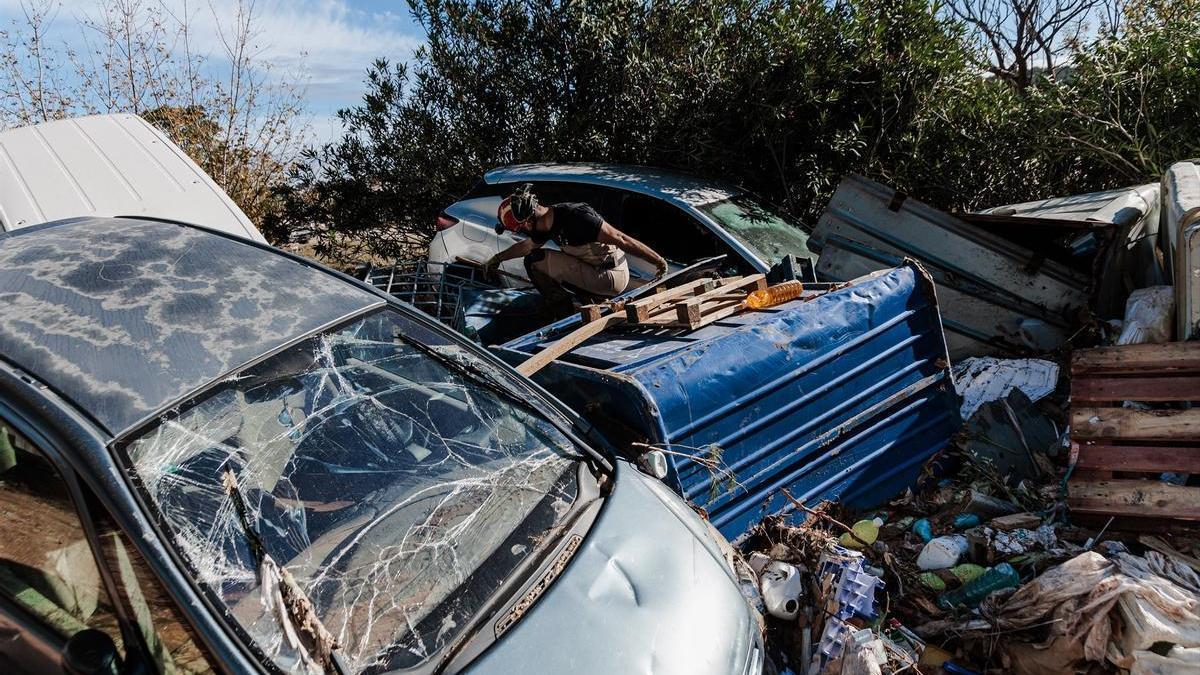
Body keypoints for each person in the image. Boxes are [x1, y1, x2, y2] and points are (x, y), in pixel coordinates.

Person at [484, 184, 669, 315]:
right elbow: (526, 246)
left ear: (529, 221)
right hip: (592, 269)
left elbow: (621, 238)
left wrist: (657, 260)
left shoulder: (577, 217)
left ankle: (563, 313)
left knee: (535, 261)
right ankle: (582, 301)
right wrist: (498, 258)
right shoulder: (543, 226)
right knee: (535, 257)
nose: (525, 233)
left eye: (523, 228)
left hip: (611, 275)